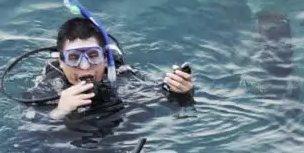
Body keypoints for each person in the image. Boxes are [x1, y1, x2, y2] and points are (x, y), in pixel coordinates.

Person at [26, 15, 194, 125]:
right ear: (60, 62)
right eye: (73, 58)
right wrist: (59, 112)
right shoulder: (47, 88)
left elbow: (162, 107)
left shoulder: (124, 77)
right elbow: (26, 141)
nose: (85, 66)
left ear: (106, 59)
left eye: (93, 56)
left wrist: (181, 93)